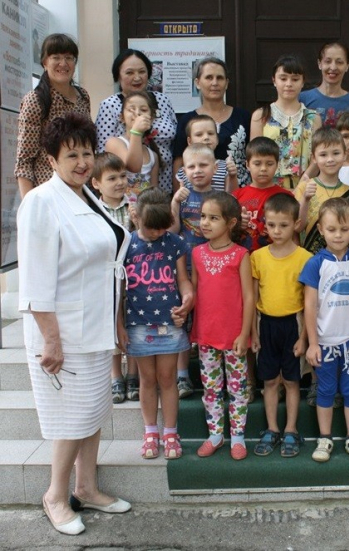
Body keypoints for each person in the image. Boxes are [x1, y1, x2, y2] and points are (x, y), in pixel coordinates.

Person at [17, 113, 132, 536]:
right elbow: (35, 280)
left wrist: (116, 323)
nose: (82, 162)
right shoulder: (41, 202)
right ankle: (55, 495)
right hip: (64, 333)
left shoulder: (88, 197)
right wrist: (51, 340)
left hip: (96, 328)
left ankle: (87, 487)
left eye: (87, 153)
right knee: (70, 420)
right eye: (72, 156)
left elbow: (108, 266)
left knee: (94, 411)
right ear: (51, 159)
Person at [299, 198, 349, 463]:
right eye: (331, 229)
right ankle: (325, 438)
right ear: (320, 229)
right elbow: (309, 306)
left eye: (344, 229)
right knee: (326, 389)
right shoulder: (315, 263)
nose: (338, 235)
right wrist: (313, 343)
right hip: (325, 340)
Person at [124, 188, 194, 460]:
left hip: (169, 320)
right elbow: (118, 289)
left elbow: (183, 280)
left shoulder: (174, 243)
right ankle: (150, 432)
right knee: (147, 379)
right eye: (151, 227)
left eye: (161, 227)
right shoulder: (126, 244)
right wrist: (119, 326)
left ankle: (171, 432)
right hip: (138, 322)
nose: (156, 233)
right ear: (136, 217)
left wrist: (188, 300)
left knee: (167, 378)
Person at [191, 192, 255, 460]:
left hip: (234, 336)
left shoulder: (240, 255)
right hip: (206, 334)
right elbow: (195, 291)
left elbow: (249, 296)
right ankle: (215, 434)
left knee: (238, 389)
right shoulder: (197, 253)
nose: (205, 222)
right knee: (211, 388)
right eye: (203, 216)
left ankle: (237, 437)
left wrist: (244, 333)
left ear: (230, 223)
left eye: (213, 218)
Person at [250, 193, 312, 458]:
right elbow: (253, 298)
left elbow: (310, 303)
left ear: (296, 224)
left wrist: (304, 337)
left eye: (283, 225)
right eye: (271, 225)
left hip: (293, 325)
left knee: (291, 381)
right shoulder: (257, 257)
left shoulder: (305, 258)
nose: (276, 231)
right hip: (266, 324)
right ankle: (272, 428)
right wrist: (253, 332)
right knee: (270, 381)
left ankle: (290, 429)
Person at [170, 143, 220, 399]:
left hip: (213, 271)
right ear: (184, 171)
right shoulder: (182, 196)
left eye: (203, 165)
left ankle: (213, 374)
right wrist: (174, 202)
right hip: (186, 269)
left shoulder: (219, 198)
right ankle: (182, 376)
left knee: (208, 320)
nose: (197, 170)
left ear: (214, 168)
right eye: (191, 166)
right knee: (184, 322)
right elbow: (173, 229)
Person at [16, 34, 91, 198]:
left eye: (69, 58)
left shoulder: (83, 96)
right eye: (56, 57)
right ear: (45, 62)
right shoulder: (35, 100)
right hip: (49, 193)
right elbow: (24, 160)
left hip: (81, 190)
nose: (63, 64)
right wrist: (29, 203)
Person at [90, 152, 139, 403]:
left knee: (131, 323)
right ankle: (115, 375)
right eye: (112, 178)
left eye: (122, 176)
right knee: (111, 323)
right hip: (106, 277)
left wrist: (137, 222)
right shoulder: (92, 210)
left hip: (134, 276)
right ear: (96, 183)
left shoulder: (134, 205)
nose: (120, 182)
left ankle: (133, 375)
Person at [95, 49, 177, 194]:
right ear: (118, 76)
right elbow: (103, 154)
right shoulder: (110, 105)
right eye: (129, 73)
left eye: (142, 72)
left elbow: (174, 140)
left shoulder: (163, 100)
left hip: (162, 184)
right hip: (124, 191)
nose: (137, 77)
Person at [173, 57, 251, 189]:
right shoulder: (187, 120)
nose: (215, 83)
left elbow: (252, 156)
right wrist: (178, 195)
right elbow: (179, 162)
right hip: (196, 194)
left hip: (239, 192)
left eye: (220, 78)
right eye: (209, 77)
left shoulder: (243, 117)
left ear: (226, 83)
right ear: (197, 83)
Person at [250, 54, 322, 189]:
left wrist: (302, 185)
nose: (289, 84)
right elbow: (255, 157)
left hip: (305, 187)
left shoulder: (313, 118)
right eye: (283, 78)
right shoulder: (260, 116)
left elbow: (318, 156)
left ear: (302, 82)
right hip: (269, 188)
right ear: (274, 80)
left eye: (295, 79)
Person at [294, 127, 349, 255]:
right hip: (310, 259)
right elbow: (297, 227)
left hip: (341, 260)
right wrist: (305, 199)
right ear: (314, 158)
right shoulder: (305, 187)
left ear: (344, 155)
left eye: (336, 153)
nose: (330, 159)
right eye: (323, 155)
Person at [233, 137, 295, 252]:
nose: (263, 169)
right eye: (257, 163)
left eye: (269, 164)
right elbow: (225, 230)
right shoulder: (236, 196)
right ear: (247, 165)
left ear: (277, 165)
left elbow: (293, 231)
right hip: (243, 257)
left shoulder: (286, 196)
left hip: (276, 257)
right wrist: (238, 224)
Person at [105, 91, 160, 197]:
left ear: (151, 118)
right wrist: (136, 132)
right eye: (131, 109)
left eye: (143, 110)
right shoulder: (114, 143)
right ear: (122, 117)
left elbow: (154, 193)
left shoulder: (153, 155)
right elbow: (133, 167)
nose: (137, 113)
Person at [299, 41, 349, 127]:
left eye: (339, 62)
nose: (333, 67)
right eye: (328, 61)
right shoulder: (302, 99)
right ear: (319, 64)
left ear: (347, 66)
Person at [175, 115, 238, 192]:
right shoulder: (184, 170)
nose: (206, 137)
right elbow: (179, 196)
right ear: (190, 141)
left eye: (210, 133)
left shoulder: (225, 167)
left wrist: (233, 176)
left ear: (217, 139)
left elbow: (232, 195)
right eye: (199, 134)